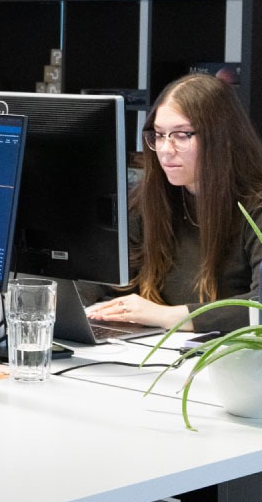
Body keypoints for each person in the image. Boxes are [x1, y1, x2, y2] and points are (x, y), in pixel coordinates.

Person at [86, 73, 262, 332]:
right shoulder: (150, 199)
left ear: (222, 137)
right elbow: (102, 275)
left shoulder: (254, 207)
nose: (166, 149)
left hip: (231, 363)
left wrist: (165, 316)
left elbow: (259, 307)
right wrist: (63, 302)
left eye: (181, 135)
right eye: (158, 135)